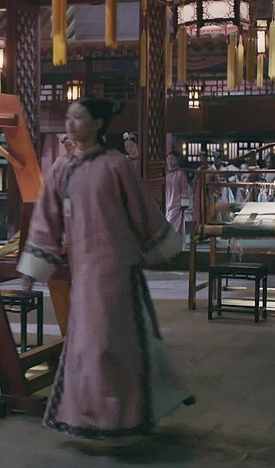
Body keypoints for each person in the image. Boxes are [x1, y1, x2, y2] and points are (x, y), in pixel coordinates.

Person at [17, 97, 193, 443]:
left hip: (118, 270)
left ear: (98, 124)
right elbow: (46, 221)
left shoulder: (116, 166)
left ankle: (122, 416)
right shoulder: (62, 169)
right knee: (85, 342)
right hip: (83, 272)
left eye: (79, 117)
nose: (70, 123)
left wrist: (162, 246)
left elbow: (142, 210)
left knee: (111, 342)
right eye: (69, 117)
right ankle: (89, 415)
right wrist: (32, 271)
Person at [165, 151, 190, 234]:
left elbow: (184, 190)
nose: (170, 161)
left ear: (176, 160)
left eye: (172, 159)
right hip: (167, 202)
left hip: (177, 204)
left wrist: (184, 204)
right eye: (168, 159)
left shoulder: (180, 174)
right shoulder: (165, 174)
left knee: (174, 225)